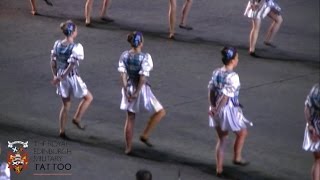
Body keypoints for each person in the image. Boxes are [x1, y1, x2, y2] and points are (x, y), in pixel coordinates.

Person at [118, 31, 166, 154]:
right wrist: (137, 92)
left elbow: (122, 74)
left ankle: (128, 148)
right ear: (141, 43)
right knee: (160, 111)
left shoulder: (124, 55)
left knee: (130, 118)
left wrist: (125, 89)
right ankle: (145, 134)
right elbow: (143, 77)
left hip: (128, 87)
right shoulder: (145, 58)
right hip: (141, 89)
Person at [208, 47, 252, 177]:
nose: (238, 60)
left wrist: (212, 107)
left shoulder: (216, 72)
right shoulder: (233, 76)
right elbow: (225, 96)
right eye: (237, 58)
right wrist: (218, 108)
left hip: (215, 109)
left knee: (222, 139)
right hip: (227, 110)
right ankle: (237, 157)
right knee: (242, 133)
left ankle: (219, 168)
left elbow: (211, 90)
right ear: (232, 61)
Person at [50, 20, 93, 138]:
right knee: (88, 97)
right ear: (73, 32)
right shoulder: (76, 47)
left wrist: (56, 76)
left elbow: (53, 62)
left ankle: (62, 130)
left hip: (61, 77)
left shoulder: (57, 44)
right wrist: (63, 76)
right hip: (71, 76)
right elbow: (72, 65)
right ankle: (77, 118)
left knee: (65, 105)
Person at [302, 83, 320, 180]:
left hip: (314, 125)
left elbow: (307, 108)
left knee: (318, 160)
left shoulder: (316, 89)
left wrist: (310, 125)